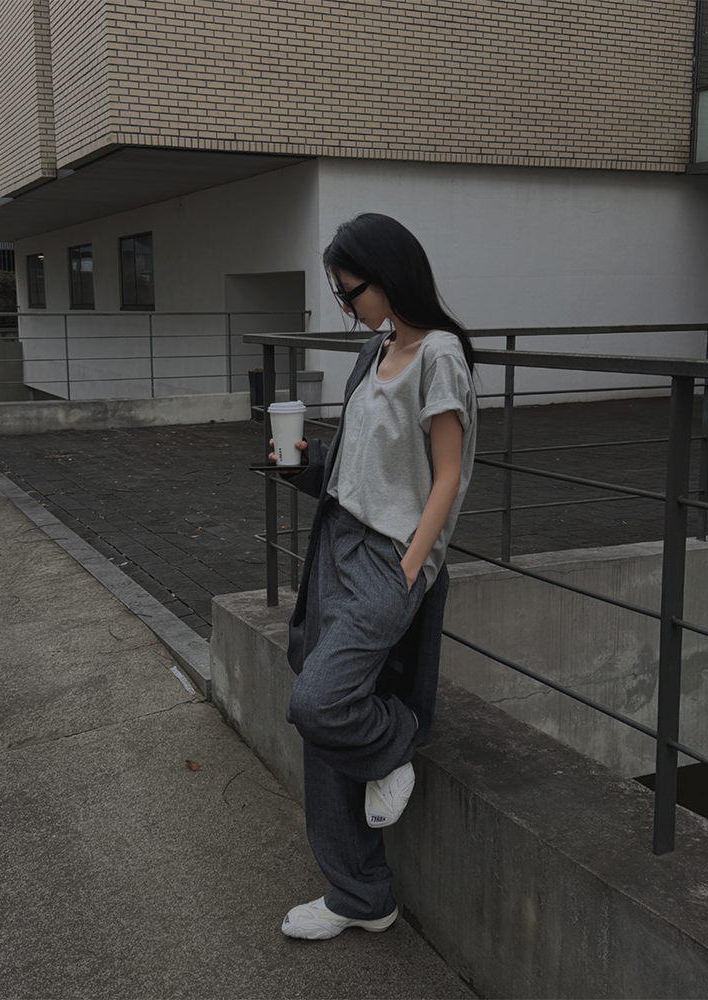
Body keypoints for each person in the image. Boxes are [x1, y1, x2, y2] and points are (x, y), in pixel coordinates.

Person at [271, 213, 477, 940]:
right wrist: (302, 467)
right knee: (321, 695)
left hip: (391, 558)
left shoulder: (439, 356)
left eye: (350, 290)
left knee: (319, 702)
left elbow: (447, 476)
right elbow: (359, 465)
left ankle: (397, 741)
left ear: (388, 277)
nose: (347, 305)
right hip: (338, 543)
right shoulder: (376, 349)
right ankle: (360, 895)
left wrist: (412, 567)